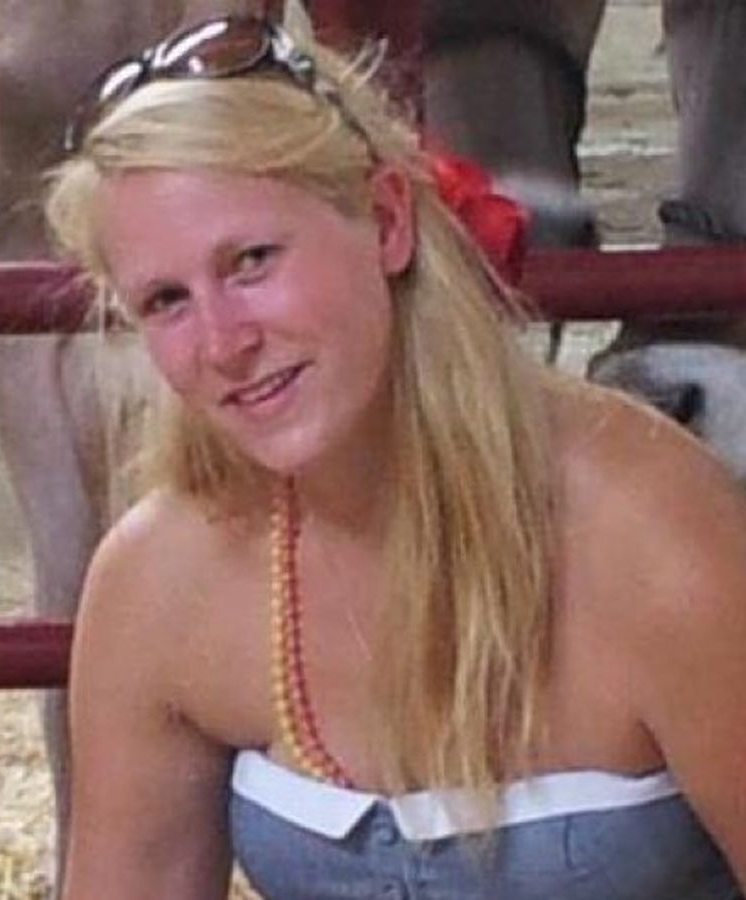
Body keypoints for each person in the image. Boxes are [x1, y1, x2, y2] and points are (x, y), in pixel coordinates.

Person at [44, 15, 746, 899]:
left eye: (253, 261)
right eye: (166, 300)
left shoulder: (650, 532)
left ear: (386, 222)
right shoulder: (161, 577)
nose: (224, 343)